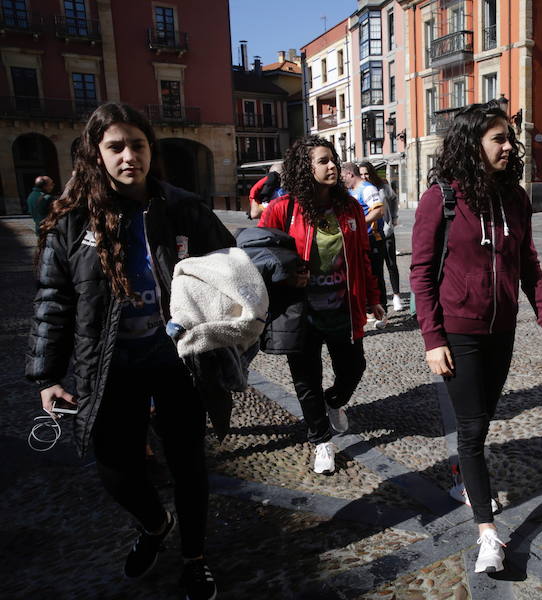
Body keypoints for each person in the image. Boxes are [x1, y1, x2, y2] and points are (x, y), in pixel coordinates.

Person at [25, 102, 235, 599]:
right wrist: (48, 374)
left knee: (188, 464)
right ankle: (155, 523)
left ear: (149, 150)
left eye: (137, 145)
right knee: (115, 469)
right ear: (96, 154)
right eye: (115, 147)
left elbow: (232, 265)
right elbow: (54, 297)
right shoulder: (73, 221)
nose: (128, 156)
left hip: (176, 360)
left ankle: (195, 558)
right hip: (110, 366)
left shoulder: (181, 206)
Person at [410, 101, 542, 574]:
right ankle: (488, 534)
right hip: (459, 330)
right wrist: (433, 338)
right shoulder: (442, 197)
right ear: (472, 143)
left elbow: (528, 264)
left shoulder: (515, 198)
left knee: (485, 417)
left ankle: (462, 474)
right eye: (498, 138)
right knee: (472, 429)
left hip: (503, 330)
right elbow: (419, 272)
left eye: (509, 139)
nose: (508, 146)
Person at [260, 138, 384, 474]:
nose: (333, 167)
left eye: (334, 160)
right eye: (324, 161)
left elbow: (362, 257)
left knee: (353, 368)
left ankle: (334, 401)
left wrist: (373, 298)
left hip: (343, 308)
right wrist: (287, 277)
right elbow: (260, 256)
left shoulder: (350, 209)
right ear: (306, 168)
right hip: (300, 314)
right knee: (306, 380)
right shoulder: (282, 209)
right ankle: (321, 442)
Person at [342, 162, 387, 324]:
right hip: (361, 239)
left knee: (376, 274)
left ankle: (383, 312)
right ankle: (370, 310)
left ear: (350, 174)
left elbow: (379, 211)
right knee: (364, 275)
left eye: (343, 177)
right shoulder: (351, 191)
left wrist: (359, 223)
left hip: (373, 238)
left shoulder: (367, 188)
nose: (342, 180)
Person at [359, 160, 403, 312]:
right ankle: (380, 303)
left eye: (366, 173)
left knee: (391, 264)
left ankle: (396, 295)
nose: (364, 177)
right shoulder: (360, 190)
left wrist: (394, 217)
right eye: (361, 174)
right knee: (376, 271)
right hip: (371, 235)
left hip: (386, 231)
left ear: (371, 173)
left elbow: (393, 198)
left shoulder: (383, 187)